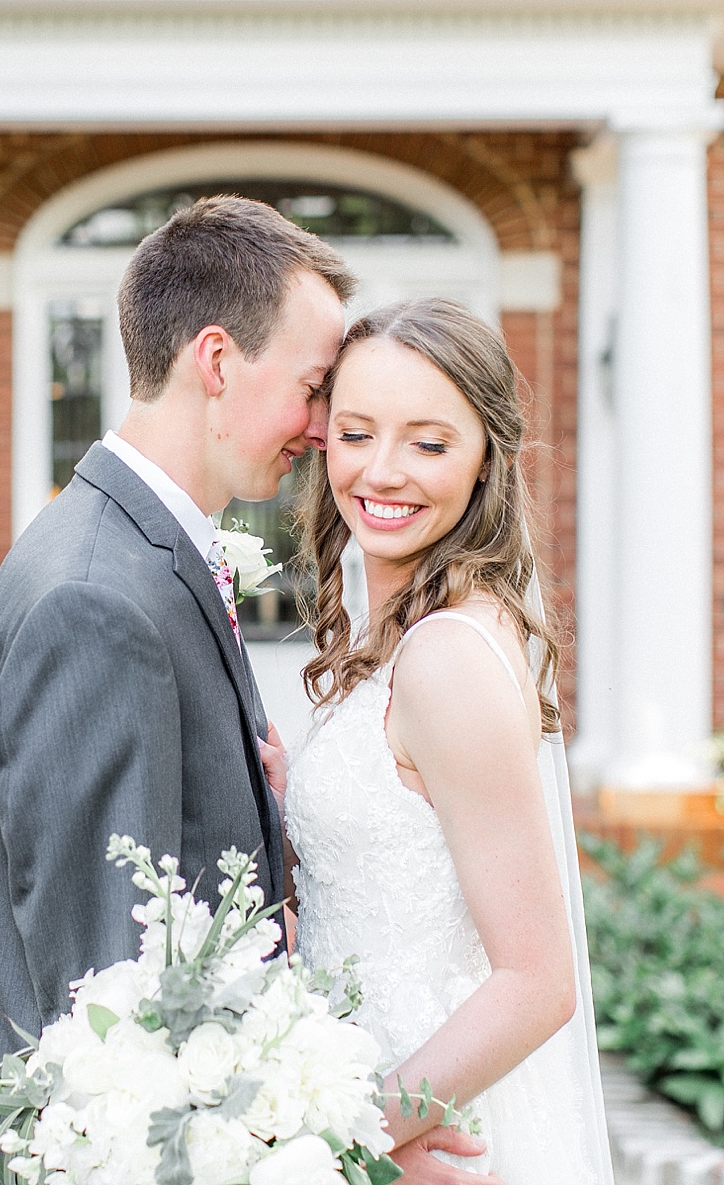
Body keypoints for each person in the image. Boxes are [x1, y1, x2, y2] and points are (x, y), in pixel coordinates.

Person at [0, 199, 489, 1184]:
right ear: (216, 361)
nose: (327, 429)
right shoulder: (93, 599)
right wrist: (337, 1145)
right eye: (314, 387)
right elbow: (109, 1006)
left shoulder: (152, 557)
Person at [285, 298, 614, 1183]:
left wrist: (353, 1140)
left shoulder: (446, 657)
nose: (382, 472)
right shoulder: (399, 632)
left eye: (429, 444)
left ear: (484, 464)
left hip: (418, 1120)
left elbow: (538, 982)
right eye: (356, 434)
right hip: (365, 1074)